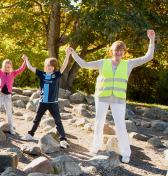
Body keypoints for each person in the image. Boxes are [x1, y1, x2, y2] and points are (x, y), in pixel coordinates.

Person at [67, 30, 156, 163]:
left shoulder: (129, 64)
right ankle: (96, 146)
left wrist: (152, 40)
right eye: (116, 51)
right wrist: (73, 54)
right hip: (102, 96)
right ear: (112, 52)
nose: (118, 53)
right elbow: (84, 65)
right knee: (99, 122)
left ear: (124, 52)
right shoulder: (103, 62)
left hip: (118, 98)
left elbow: (148, 57)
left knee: (121, 125)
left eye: (121, 51)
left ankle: (125, 153)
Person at [21, 50, 72, 148]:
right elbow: (30, 67)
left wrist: (68, 54)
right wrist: (26, 59)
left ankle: (63, 140)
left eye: (52, 66)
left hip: (53, 103)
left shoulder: (56, 75)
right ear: (46, 66)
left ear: (54, 67)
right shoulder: (42, 74)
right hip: (42, 102)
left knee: (58, 121)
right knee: (36, 119)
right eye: (48, 65)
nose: (49, 67)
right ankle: (30, 134)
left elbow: (64, 66)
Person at [0, 56, 27, 133]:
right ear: (3, 67)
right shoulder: (0, 72)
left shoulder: (13, 73)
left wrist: (25, 61)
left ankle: (11, 128)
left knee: (9, 113)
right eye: (5, 67)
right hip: (0, 95)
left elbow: (21, 69)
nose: (6, 68)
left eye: (8, 67)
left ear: (11, 67)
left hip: (8, 97)